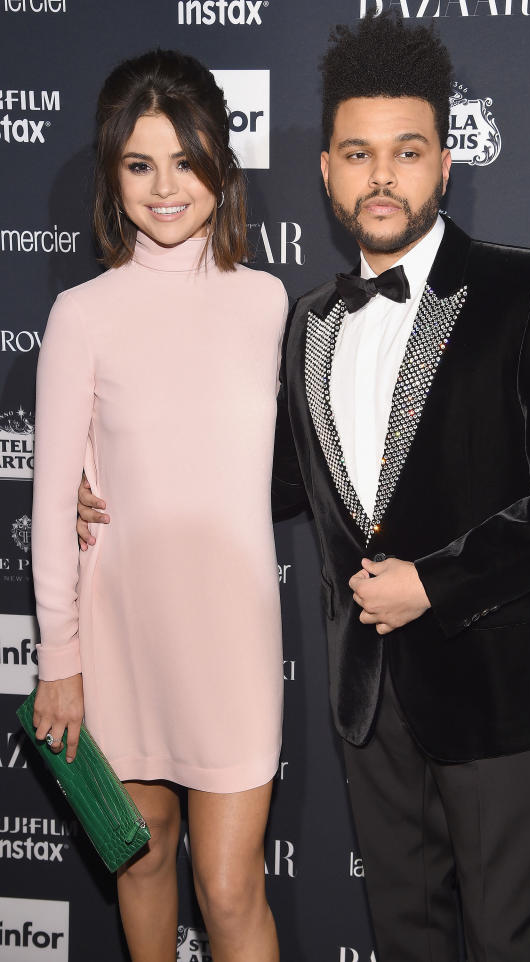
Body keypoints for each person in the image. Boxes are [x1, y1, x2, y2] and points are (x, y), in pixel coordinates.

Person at [77, 15, 530, 962]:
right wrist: (113, 487)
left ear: (445, 164)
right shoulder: (306, 322)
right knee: (403, 941)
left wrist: (437, 579)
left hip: (499, 698)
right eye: (359, 154)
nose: (383, 176)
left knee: (510, 945)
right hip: (372, 707)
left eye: (406, 152)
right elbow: (268, 480)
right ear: (327, 171)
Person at [31, 50, 285, 962]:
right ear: (113, 175)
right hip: (123, 636)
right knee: (140, 863)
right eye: (140, 165)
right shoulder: (83, 315)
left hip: (234, 634)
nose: (165, 187)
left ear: (220, 160)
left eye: (185, 160)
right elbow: (54, 498)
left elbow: (289, 464)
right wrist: (59, 659)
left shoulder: (268, 302)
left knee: (229, 887)